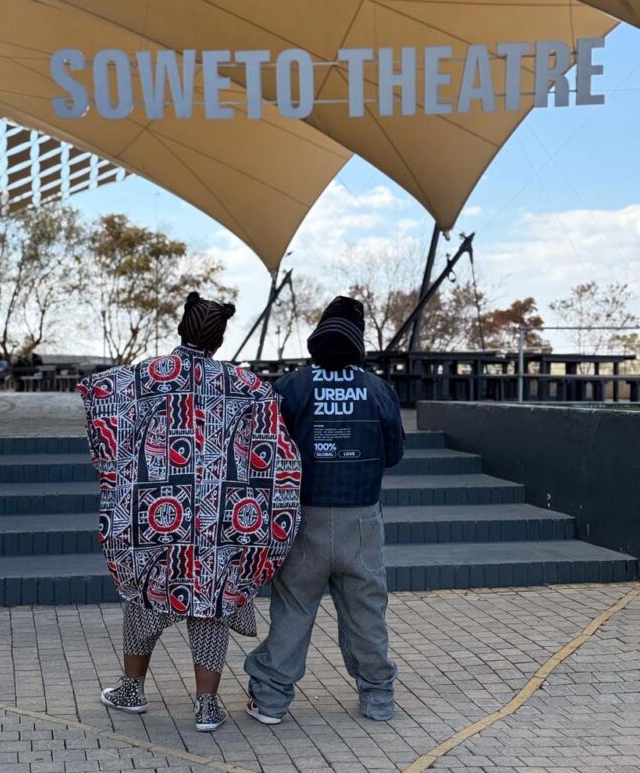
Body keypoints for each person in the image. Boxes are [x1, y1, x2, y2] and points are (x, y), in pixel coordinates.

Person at [78, 292, 302, 732]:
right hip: (222, 518)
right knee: (211, 602)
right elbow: (277, 452)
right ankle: (206, 705)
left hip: (156, 512)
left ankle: (132, 690)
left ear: (182, 328)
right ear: (220, 338)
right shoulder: (247, 386)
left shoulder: (146, 376)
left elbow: (98, 397)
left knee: (144, 598)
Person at [245, 295, 404, 724]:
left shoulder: (291, 387)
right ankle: (377, 696)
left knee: (294, 608)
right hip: (361, 520)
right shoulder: (378, 390)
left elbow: (265, 451)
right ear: (358, 338)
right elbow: (393, 454)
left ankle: (271, 700)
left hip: (302, 518)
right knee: (366, 610)